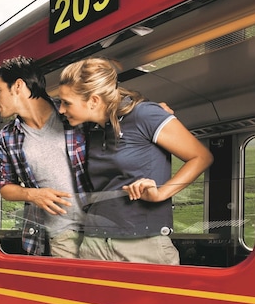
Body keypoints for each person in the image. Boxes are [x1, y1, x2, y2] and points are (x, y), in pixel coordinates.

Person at [58, 56, 213, 265]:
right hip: (94, 243)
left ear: (94, 100)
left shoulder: (145, 115)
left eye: (66, 103)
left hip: (143, 244)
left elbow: (201, 157)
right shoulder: (92, 129)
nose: (61, 109)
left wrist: (162, 193)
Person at [0, 56, 89, 257]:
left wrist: (151, 114)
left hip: (99, 231)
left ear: (18, 86)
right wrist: (33, 194)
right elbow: (4, 186)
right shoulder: (5, 138)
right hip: (59, 237)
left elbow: (113, 109)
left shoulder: (72, 111)